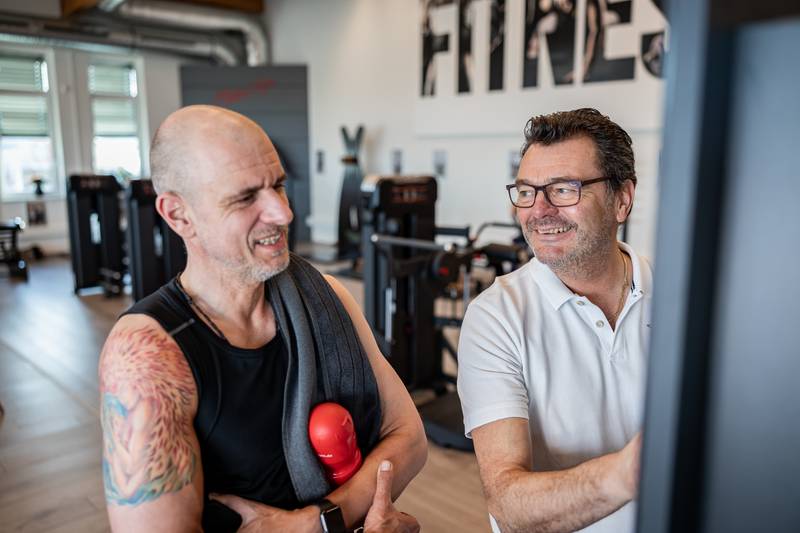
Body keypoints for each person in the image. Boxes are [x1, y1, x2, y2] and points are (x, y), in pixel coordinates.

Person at [99, 105, 426, 532]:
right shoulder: (148, 358)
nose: (282, 213)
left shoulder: (328, 298)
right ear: (179, 215)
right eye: (246, 197)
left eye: (278, 186)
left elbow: (409, 437)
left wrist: (315, 524)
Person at [457, 108, 648, 533]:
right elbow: (508, 503)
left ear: (622, 199)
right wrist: (628, 473)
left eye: (563, 189)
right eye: (526, 191)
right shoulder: (495, 318)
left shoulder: (683, 295)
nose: (538, 210)